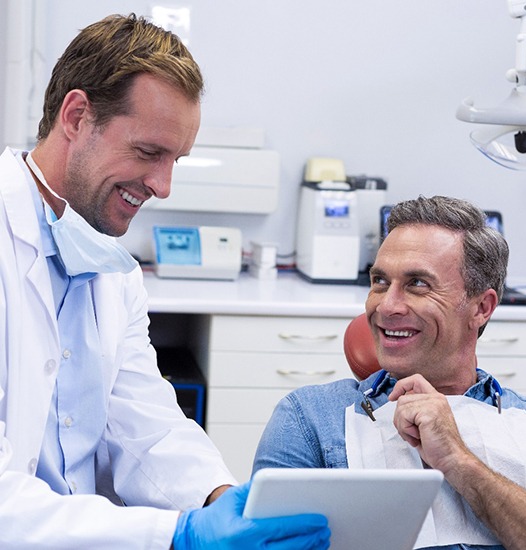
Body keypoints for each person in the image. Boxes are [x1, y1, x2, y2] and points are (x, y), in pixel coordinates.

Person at [0, 13, 330, 549]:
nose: (163, 185)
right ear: (77, 116)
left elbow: (147, 425)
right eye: (149, 153)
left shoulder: (110, 267)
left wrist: (224, 503)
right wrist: (177, 534)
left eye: (175, 159)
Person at [253, 195, 526, 550]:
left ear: (481, 307)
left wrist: (458, 460)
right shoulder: (312, 419)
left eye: (418, 284)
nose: (387, 305)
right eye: (379, 281)